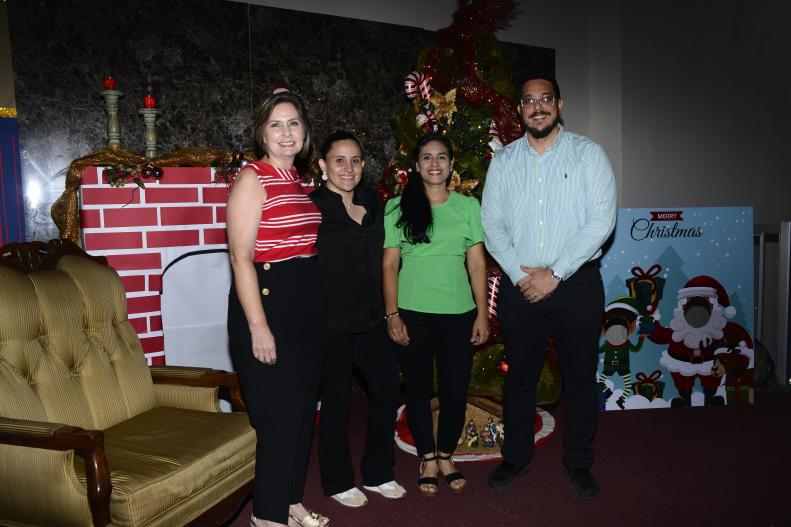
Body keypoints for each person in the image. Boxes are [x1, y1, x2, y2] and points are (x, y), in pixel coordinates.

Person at [480, 73, 617, 499]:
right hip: (520, 285)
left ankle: (578, 462)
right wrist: (523, 277)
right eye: (528, 100)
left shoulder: (588, 155)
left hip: (576, 284)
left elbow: (601, 221)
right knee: (519, 377)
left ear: (560, 103)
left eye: (545, 98)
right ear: (520, 109)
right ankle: (515, 458)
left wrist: (555, 273)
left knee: (579, 376)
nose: (537, 106)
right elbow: (492, 223)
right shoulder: (503, 162)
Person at [226, 89, 329, 527]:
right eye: (276, 124)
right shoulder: (253, 177)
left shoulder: (298, 182)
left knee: (303, 412)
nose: (286, 133)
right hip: (266, 301)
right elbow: (240, 257)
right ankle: (266, 516)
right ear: (262, 133)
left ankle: (290, 500)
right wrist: (257, 326)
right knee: (277, 418)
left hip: (304, 303)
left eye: (293, 124)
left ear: (304, 132)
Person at [383, 132, 490, 496]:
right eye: (426, 157)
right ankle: (426, 456)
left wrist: (482, 313)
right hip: (412, 313)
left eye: (441, 157)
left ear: (451, 165)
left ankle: (446, 454)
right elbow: (389, 265)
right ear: (416, 165)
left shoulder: (467, 207)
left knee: (455, 389)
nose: (434, 164)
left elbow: (477, 263)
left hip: (459, 313)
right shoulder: (397, 207)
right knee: (416, 389)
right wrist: (392, 314)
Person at [308, 130, 406, 508]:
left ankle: (379, 472)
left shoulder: (374, 203)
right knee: (336, 403)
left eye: (355, 161)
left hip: (373, 320)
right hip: (331, 323)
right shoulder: (312, 206)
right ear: (322, 165)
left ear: (363, 165)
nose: (347, 168)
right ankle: (336, 480)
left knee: (385, 394)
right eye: (338, 160)